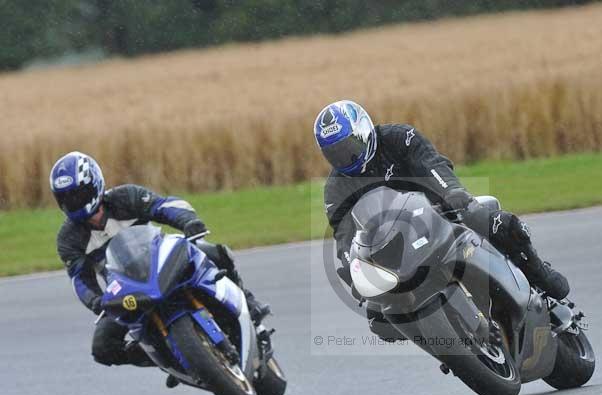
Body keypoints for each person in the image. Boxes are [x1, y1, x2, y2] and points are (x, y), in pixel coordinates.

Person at [314, 100, 569, 340]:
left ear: (364, 130)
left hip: (439, 211)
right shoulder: (336, 188)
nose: (345, 158)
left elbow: (431, 164)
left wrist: (451, 192)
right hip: (395, 243)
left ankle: (539, 273)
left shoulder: (399, 138)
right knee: (377, 316)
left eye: (349, 147)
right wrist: (353, 268)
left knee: (497, 224)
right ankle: (445, 340)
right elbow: (344, 235)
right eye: (335, 153)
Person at [50, 151, 269, 372]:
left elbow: (164, 206)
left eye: (78, 194)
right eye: (66, 198)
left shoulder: (125, 197)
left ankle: (249, 304)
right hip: (126, 290)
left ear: (94, 184)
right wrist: (97, 302)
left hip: (163, 261)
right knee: (102, 347)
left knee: (214, 252)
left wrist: (189, 222)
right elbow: (80, 279)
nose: (73, 202)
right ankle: (167, 357)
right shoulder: (68, 239)